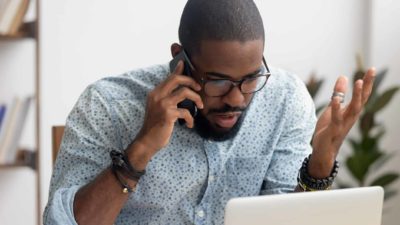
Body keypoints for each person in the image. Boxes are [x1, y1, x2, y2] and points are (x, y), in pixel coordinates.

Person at [43, 0, 375, 224]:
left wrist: (319, 165)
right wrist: (142, 147)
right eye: (218, 81)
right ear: (180, 59)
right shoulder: (107, 105)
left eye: (250, 78)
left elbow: (285, 218)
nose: (238, 99)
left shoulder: (285, 99)